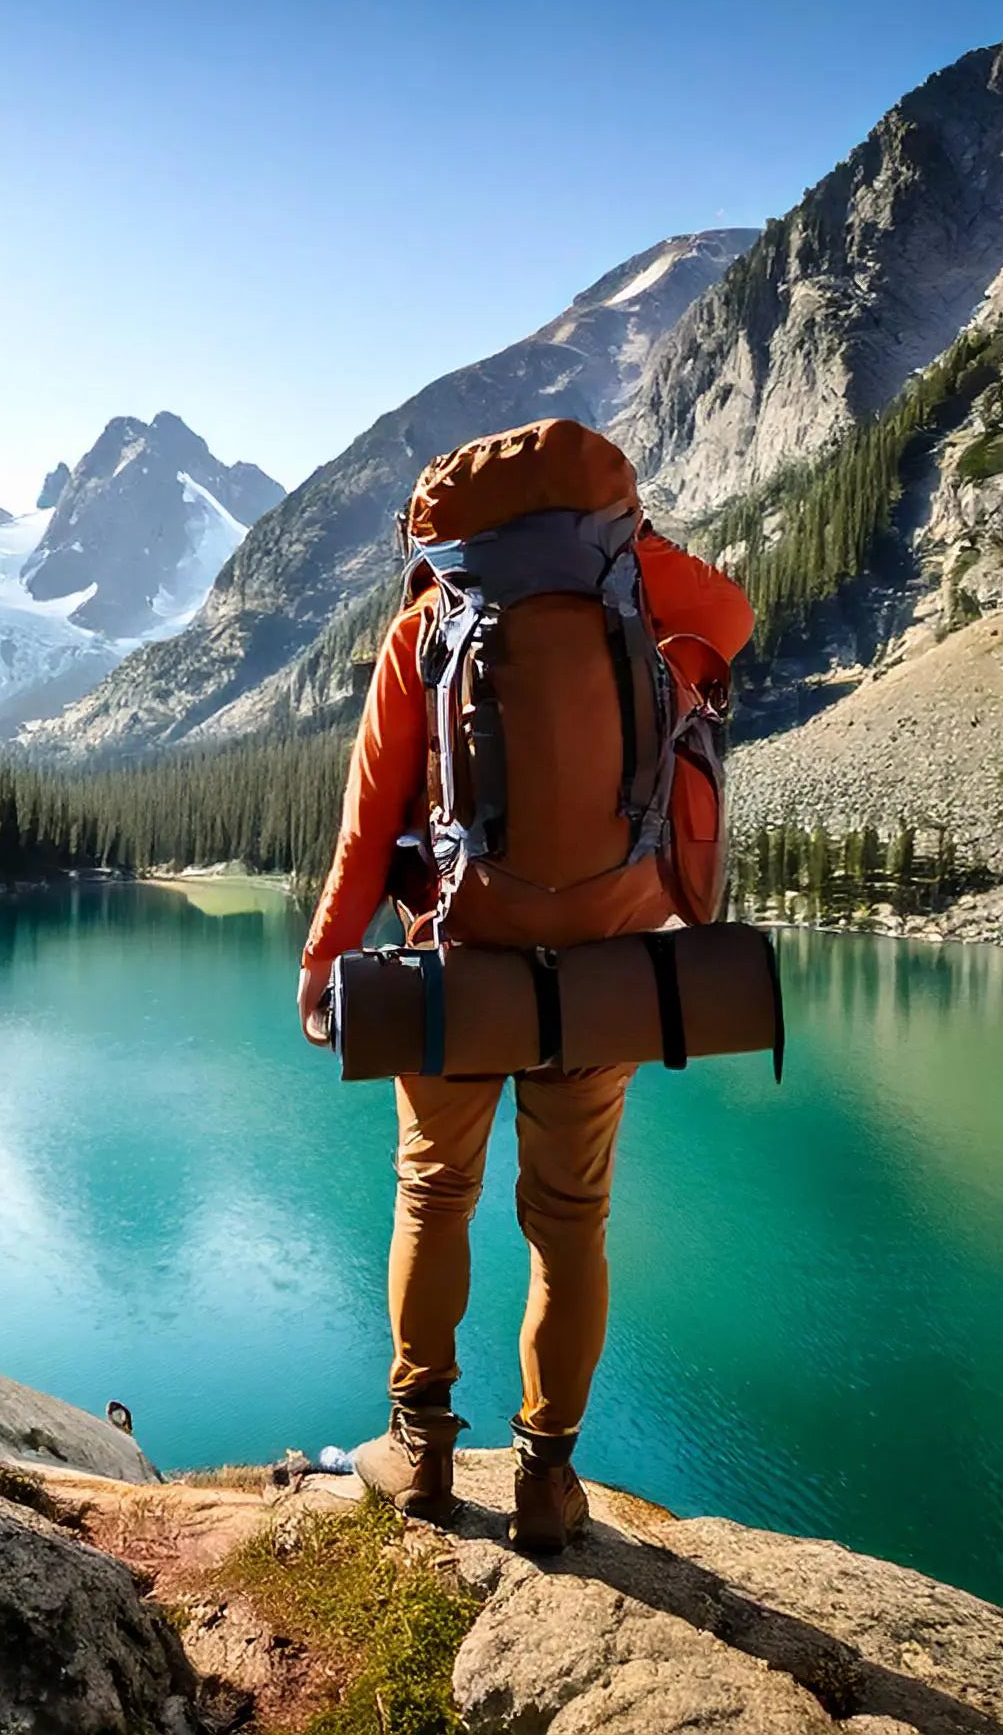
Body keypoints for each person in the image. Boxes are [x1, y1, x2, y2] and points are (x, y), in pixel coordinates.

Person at [295, 417, 753, 1553]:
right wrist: (630, 543)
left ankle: (419, 1451)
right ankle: (547, 1479)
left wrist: (322, 963)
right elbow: (733, 616)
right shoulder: (634, 600)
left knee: (432, 1195)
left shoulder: (424, 629)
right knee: (570, 1220)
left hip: (459, 970)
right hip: (606, 975)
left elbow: (366, 829)